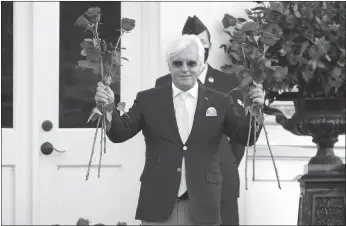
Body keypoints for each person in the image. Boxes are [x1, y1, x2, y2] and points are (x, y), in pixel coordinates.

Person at [95, 35, 264, 225]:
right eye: (178, 63)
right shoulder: (148, 99)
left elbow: (245, 136)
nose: (184, 69)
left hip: (203, 203)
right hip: (158, 202)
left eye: (191, 63)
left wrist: (256, 110)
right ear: (169, 65)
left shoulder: (220, 101)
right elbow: (120, 133)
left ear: (201, 65)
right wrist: (110, 106)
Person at [155, 15, 245, 225]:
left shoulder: (228, 82)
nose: (197, 48)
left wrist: (226, 162)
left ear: (209, 47)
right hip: (177, 182)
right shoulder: (163, 83)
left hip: (221, 177)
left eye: (202, 44)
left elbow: (240, 134)